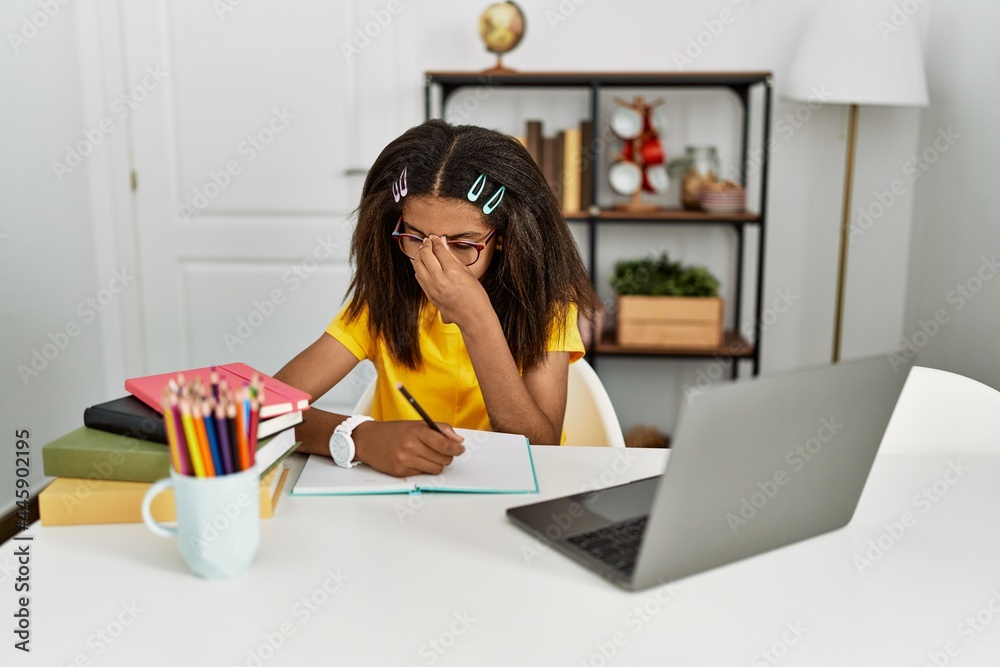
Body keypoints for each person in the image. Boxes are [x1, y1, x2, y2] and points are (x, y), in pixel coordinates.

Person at [274, 119, 602, 478]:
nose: (432, 260)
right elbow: (264, 413)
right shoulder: (384, 302)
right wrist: (360, 437)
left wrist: (477, 320)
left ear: (506, 237)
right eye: (414, 237)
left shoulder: (548, 308)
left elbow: (538, 445)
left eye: (462, 244)